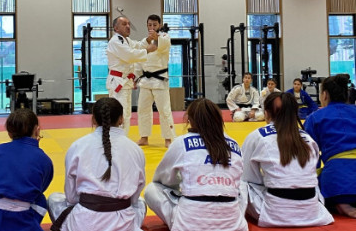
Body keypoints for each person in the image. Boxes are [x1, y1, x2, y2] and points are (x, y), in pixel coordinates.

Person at [144, 99, 246, 231]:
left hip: (190, 224)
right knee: (243, 185)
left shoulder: (181, 142)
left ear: (190, 120)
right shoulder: (234, 144)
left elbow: (163, 179)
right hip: (233, 224)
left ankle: (180, 217)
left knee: (152, 189)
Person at [48, 98, 146, 231]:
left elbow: (71, 197)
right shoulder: (135, 149)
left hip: (84, 222)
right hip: (123, 222)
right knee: (140, 202)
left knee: (53, 199)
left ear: (93, 120)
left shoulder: (78, 146)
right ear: (121, 119)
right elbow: (135, 195)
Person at [241, 92, 333, 227]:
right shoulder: (308, 138)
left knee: (242, 182)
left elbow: (248, 176)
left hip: (274, 213)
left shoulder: (257, 136)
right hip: (312, 211)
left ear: (266, 113)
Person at [303, 74, 356, 218]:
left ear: (324, 95)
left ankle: (341, 201)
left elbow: (309, 155)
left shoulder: (315, 118)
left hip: (338, 181)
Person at [0, 109, 53, 231]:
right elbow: (39, 189)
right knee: (40, 199)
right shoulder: (44, 160)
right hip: (21, 219)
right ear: (37, 130)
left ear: (9, 133)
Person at [107, 16, 157, 133]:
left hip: (125, 81)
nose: (128, 26)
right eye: (124, 24)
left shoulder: (126, 40)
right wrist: (147, 50)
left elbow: (138, 45)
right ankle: (117, 139)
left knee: (126, 114)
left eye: (129, 24)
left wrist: (148, 40)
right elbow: (129, 55)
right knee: (120, 114)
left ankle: (123, 138)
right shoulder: (115, 41)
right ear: (116, 28)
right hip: (118, 82)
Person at [137, 15, 175, 148]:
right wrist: (136, 77)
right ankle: (144, 137)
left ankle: (168, 138)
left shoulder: (164, 38)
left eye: (154, 25)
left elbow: (160, 46)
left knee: (164, 110)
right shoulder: (144, 41)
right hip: (145, 81)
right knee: (143, 109)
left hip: (160, 80)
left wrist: (156, 38)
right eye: (149, 25)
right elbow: (139, 58)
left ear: (159, 25)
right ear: (146, 25)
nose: (152, 27)